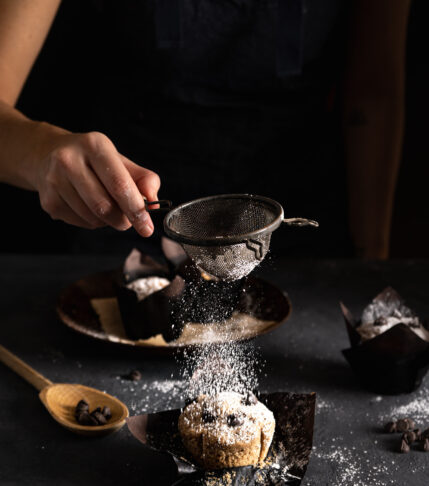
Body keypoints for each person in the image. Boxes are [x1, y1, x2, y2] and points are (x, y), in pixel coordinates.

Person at [0, 0, 411, 258]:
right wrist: (43, 154)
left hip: (301, 243)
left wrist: (371, 256)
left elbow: (373, 96)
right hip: (123, 232)